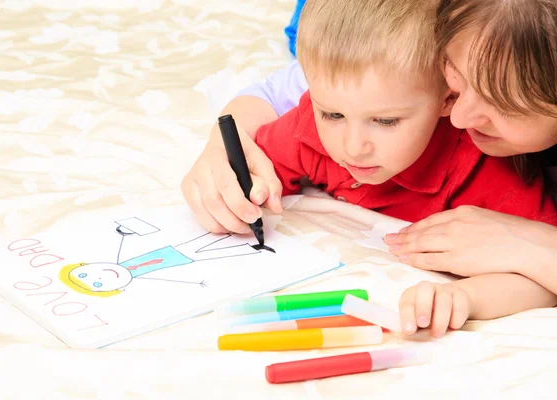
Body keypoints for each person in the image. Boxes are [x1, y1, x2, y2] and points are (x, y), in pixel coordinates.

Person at [181, 0, 557, 336]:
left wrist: (465, 297)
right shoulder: (324, 107)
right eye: (332, 114)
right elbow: (256, 144)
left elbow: (533, 276)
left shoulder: (490, 170)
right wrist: (231, 186)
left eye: (387, 121)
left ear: (440, 98)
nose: (353, 146)